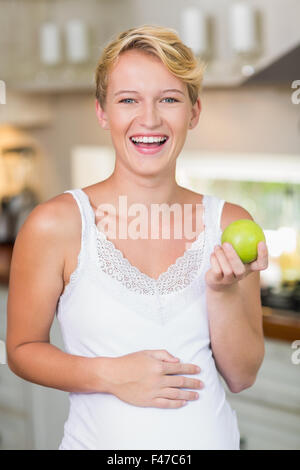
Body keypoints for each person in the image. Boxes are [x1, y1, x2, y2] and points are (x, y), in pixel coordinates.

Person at [6, 25, 268, 450]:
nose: (149, 119)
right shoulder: (56, 225)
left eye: (169, 99)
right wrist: (109, 375)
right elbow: (20, 349)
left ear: (194, 112)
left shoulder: (228, 223)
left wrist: (221, 292)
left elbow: (242, 376)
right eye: (128, 100)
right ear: (103, 112)